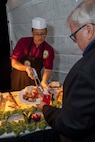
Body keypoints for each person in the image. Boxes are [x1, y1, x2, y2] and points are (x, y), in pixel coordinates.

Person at [38, 0, 95, 141]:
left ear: (89, 30)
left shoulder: (84, 71)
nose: (75, 42)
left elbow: (70, 124)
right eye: (36, 34)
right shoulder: (23, 42)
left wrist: (45, 108)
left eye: (74, 36)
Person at [11, 17, 54, 91]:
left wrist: (44, 81)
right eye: (36, 34)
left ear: (47, 32)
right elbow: (14, 63)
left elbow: (48, 69)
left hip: (34, 80)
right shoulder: (23, 42)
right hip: (19, 79)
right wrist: (26, 68)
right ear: (32, 33)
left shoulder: (49, 49)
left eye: (43, 34)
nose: (40, 37)